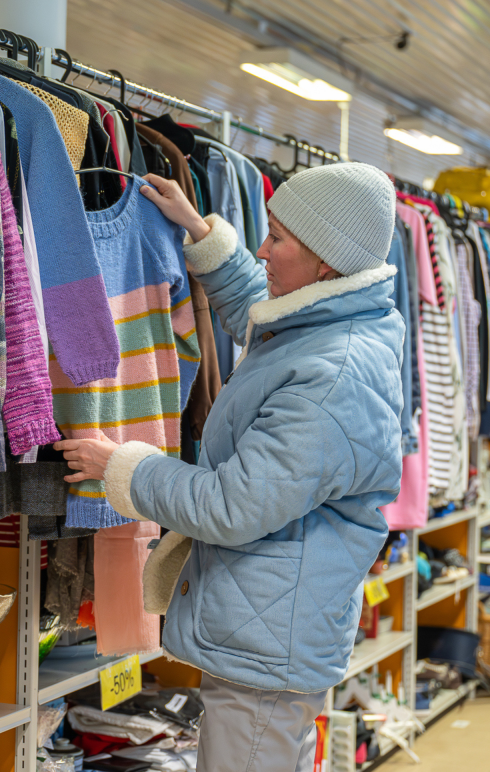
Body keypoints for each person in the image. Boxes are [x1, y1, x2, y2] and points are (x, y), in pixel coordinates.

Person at [57, 162, 405, 772]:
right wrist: (201, 235)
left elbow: (232, 506)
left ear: (325, 262)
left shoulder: (334, 374)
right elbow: (263, 315)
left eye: (278, 239)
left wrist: (123, 466)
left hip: (267, 641)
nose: (263, 250)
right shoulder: (334, 320)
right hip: (273, 624)